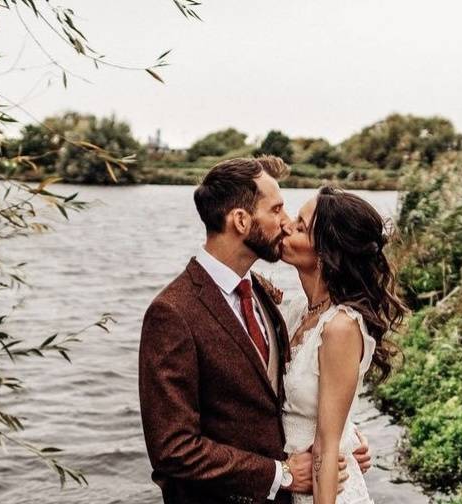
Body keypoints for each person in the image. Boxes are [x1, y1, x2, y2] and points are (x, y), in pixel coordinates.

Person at [138, 157, 371, 504]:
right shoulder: (173, 312)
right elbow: (173, 449)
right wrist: (283, 474)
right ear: (242, 220)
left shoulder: (264, 296)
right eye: (276, 210)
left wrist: (344, 439)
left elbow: (285, 395)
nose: (286, 221)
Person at [280, 186, 406, 504]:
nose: (286, 226)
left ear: (325, 251)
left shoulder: (340, 327)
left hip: (327, 493)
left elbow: (326, 445)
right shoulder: (296, 311)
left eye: (300, 226)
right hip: (295, 482)